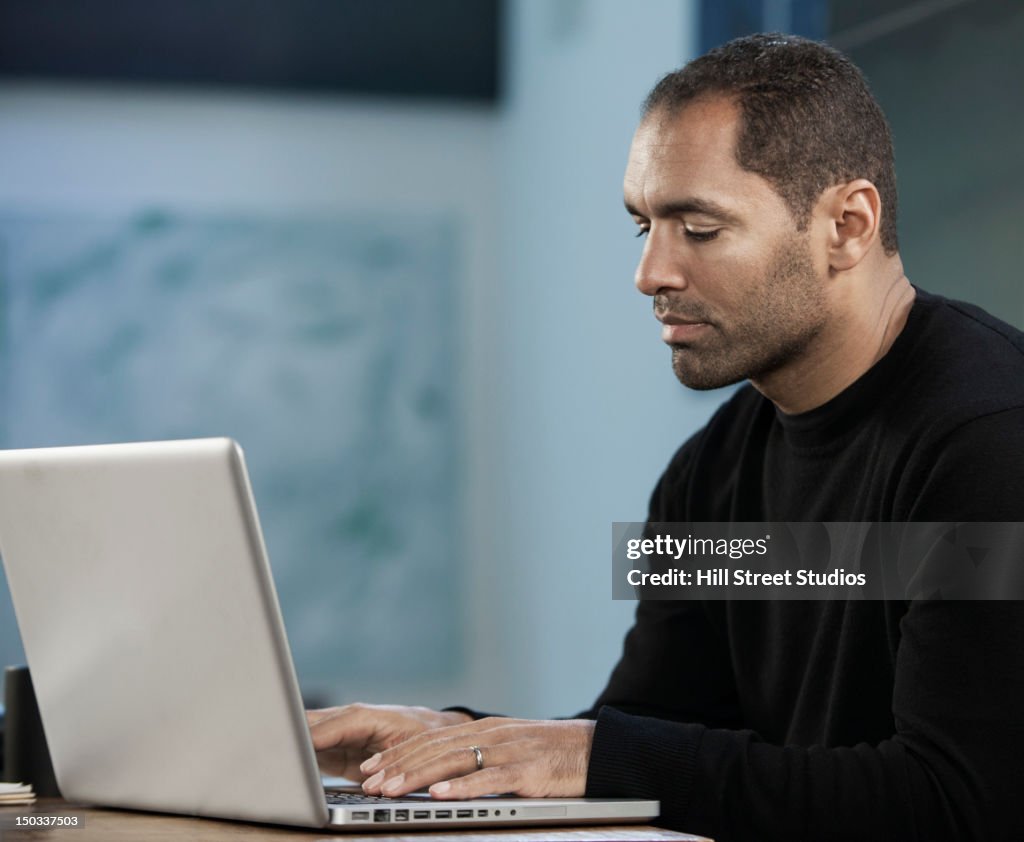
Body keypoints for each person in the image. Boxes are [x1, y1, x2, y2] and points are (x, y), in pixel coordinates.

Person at [307, 34, 1024, 841]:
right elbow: (649, 726)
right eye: (643, 225)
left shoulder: (990, 440)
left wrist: (598, 753)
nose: (651, 273)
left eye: (700, 228)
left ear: (847, 226)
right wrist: (452, 742)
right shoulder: (707, 470)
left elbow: (958, 805)